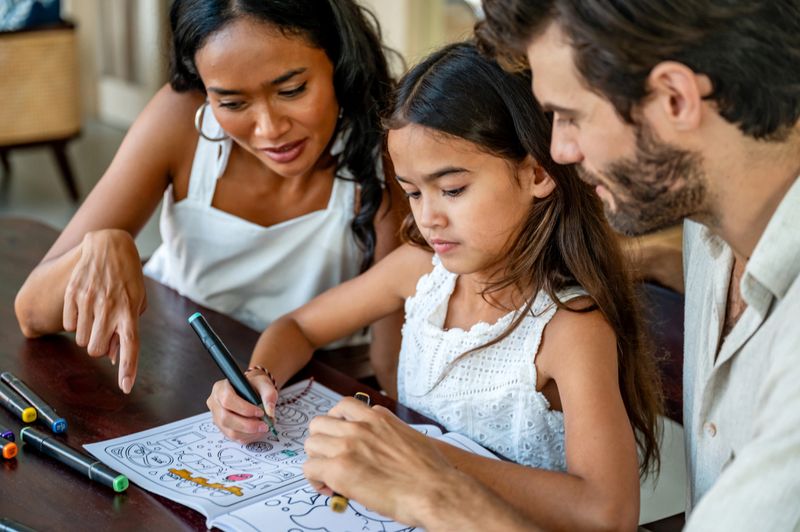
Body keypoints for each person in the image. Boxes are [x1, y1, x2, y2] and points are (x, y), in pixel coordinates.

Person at [300, 1, 800, 531]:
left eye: (571, 115)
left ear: (675, 98)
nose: (558, 150)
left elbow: (607, 512)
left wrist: (432, 485)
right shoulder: (709, 225)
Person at [208, 42, 663, 530]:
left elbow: (608, 514)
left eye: (452, 189)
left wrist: (422, 457)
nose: (428, 217)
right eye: (412, 192)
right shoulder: (421, 272)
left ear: (537, 173)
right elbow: (299, 326)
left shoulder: (569, 328)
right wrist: (257, 379)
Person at [14, 0, 404, 395]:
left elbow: (392, 360)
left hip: (310, 385)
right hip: (175, 367)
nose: (270, 129)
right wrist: (100, 245)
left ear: (338, 59)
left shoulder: (387, 146)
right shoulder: (180, 119)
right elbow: (31, 313)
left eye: (292, 90)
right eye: (232, 103)